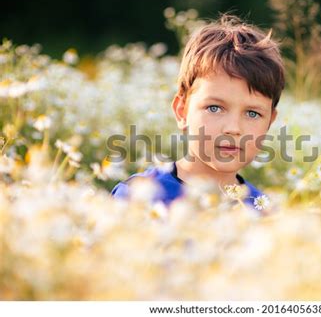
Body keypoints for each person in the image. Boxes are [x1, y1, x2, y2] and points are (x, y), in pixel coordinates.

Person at [111, 13, 285, 211]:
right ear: (182, 111)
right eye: (215, 108)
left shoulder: (264, 212)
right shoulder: (139, 196)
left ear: (269, 122)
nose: (233, 128)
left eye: (252, 113)